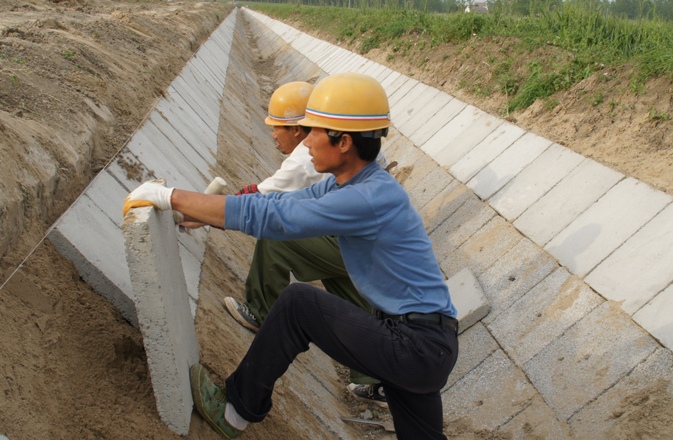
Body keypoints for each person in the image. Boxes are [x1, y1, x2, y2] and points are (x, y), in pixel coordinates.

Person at [122, 72, 459, 439]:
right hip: (425, 343)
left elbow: (278, 218)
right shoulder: (352, 184)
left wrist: (170, 197)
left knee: (299, 303)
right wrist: (204, 213)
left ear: (344, 142)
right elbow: (280, 202)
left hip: (415, 345)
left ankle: (235, 411)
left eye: (314, 132)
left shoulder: (364, 197)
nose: (306, 141)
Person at [227, 80, 389, 406]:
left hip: (356, 236)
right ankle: (372, 379)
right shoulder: (349, 142)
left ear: (298, 129)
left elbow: (265, 200)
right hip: (371, 239)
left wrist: (207, 207)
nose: (274, 135)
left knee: (277, 234)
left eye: (278, 127)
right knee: (350, 297)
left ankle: (260, 311)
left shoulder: (306, 158)